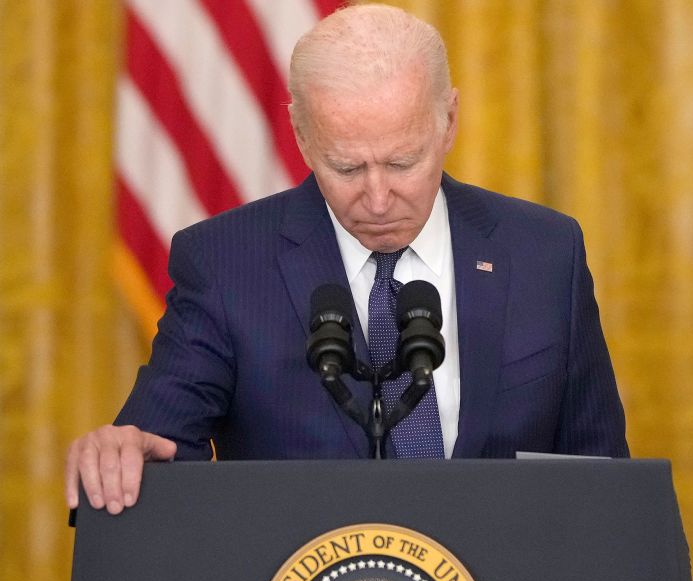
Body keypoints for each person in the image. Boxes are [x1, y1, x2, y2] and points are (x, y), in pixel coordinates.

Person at [65, 3, 627, 516]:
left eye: (403, 163)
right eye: (347, 168)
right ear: (303, 138)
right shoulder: (224, 264)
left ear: (449, 121)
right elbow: (157, 451)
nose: (378, 199)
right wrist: (122, 453)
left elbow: (601, 483)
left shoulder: (544, 253)